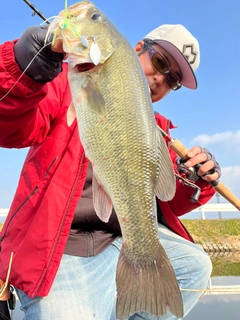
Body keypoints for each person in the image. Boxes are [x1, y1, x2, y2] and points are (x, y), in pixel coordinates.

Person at [0, 21, 221, 320]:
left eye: (173, 81)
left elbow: (169, 200)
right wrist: (23, 66)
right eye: (159, 63)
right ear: (137, 49)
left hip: (120, 240)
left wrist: (200, 178)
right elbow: (10, 128)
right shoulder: (69, 82)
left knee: (195, 267)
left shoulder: (158, 130)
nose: (160, 79)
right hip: (64, 245)